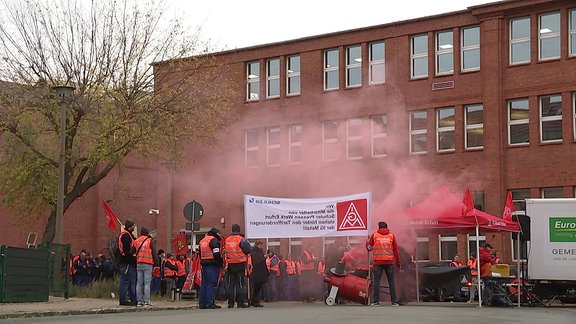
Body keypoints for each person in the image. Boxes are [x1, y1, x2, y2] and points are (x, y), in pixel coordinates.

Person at [366, 221, 401, 307]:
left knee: (377, 282)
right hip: (389, 263)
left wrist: (366, 242)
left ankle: (375, 301)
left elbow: (369, 248)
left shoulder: (375, 236)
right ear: (386, 227)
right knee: (391, 282)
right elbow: (396, 251)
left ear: (379, 227)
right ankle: (394, 301)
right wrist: (398, 264)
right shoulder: (391, 236)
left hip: (378, 263)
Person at [224, 224, 252, 308]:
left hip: (230, 264)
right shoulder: (241, 239)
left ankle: (230, 303)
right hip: (240, 264)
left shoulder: (227, 240)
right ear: (239, 230)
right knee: (240, 284)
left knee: (231, 284)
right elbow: (248, 250)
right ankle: (240, 302)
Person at [133, 226, 160, 307]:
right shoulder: (149, 241)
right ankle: (146, 301)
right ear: (147, 233)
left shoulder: (136, 241)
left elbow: (131, 251)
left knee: (139, 283)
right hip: (148, 263)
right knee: (147, 283)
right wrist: (157, 264)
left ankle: (139, 301)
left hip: (139, 263)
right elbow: (154, 253)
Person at [198, 227, 223, 309]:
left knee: (204, 284)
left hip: (204, 264)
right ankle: (210, 303)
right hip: (212, 265)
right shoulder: (214, 240)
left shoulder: (202, 240)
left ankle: (202, 303)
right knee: (211, 284)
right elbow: (216, 253)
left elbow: (200, 254)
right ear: (216, 233)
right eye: (219, 233)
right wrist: (220, 262)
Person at [118, 219, 137, 306]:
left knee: (129, 282)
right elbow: (127, 251)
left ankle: (131, 299)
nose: (134, 227)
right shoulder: (126, 236)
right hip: (127, 262)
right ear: (130, 226)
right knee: (125, 281)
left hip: (128, 262)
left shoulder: (129, 235)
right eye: (133, 225)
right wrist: (132, 260)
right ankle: (124, 299)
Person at [248, 241, 268, 307]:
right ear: (257, 245)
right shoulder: (254, 252)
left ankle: (254, 300)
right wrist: (263, 258)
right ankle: (255, 300)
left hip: (261, 271)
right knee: (256, 287)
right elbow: (256, 262)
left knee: (258, 287)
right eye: (260, 245)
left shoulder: (260, 251)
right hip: (257, 272)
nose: (261, 247)